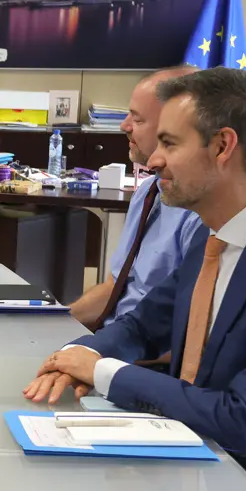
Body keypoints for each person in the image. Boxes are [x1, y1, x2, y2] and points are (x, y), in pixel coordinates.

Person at [25, 68, 246, 491]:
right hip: (177, 472)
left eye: (170, 144)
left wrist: (101, 371)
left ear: (223, 146)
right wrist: (77, 356)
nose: (153, 160)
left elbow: (245, 422)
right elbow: (142, 325)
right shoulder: (212, 236)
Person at [69, 65, 202, 330]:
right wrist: (52, 322)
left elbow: (185, 328)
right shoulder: (148, 191)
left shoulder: (201, 211)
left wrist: (98, 352)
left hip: (140, 347)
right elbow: (115, 287)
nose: (124, 126)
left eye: (138, 120)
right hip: (117, 337)